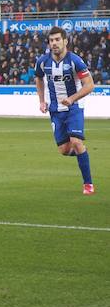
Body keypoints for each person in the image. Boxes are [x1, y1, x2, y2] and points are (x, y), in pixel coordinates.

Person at [34, 26, 95, 194]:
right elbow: (38, 78)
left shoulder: (75, 61)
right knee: (64, 150)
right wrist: (41, 100)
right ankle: (83, 153)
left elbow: (90, 85)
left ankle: (88, 184)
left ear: (65, 41)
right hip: (55, 110)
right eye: (51, 40)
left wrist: (72, 98)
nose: (54, 43)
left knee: (76, 141)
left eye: (57, 40)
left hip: (74, 107)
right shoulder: (42, 61)